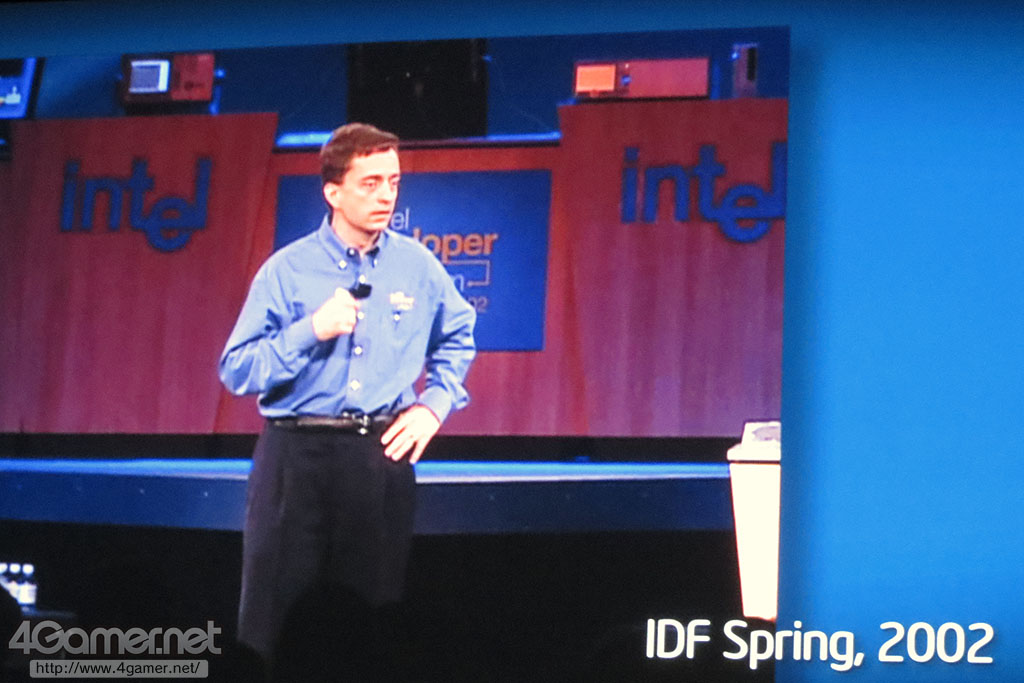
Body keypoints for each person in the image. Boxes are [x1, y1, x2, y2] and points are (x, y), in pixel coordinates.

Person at [218, 122, 476, 664]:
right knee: (271, 619)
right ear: (333, 192)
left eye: (394, 182)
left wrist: (434, 406)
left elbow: (458, 335)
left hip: (377, 456)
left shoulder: (418, 266)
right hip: (294, 458)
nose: (386, 196)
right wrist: (310, 330)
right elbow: (237, 369)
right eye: (370, 183)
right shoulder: (286, 271)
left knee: (372, 622)